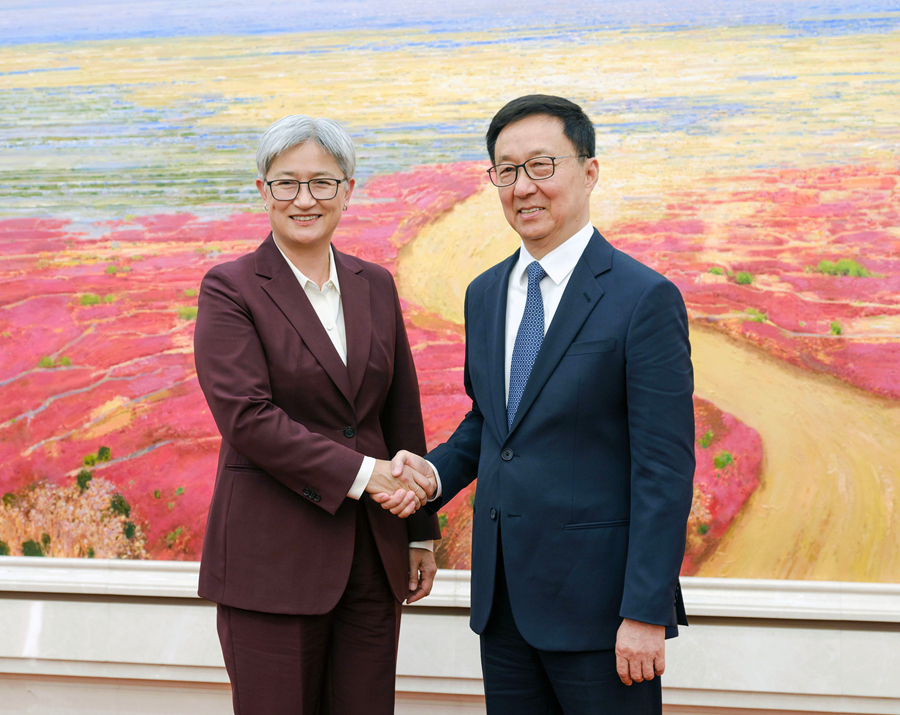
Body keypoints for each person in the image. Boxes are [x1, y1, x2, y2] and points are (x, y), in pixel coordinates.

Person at [379, 95, 695, 714]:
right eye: (506, 170)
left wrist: (645, 612)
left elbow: (665, 470)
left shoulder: (644, 299)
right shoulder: (486, 293)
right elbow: (494, 425)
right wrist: (433, 476)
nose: (523, 187)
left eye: (542, 166)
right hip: (504, 609)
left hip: (605, 618)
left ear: (590, 171)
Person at [193, 114, 440, 715]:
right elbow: (248, 418)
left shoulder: (374, 284)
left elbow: (399, 412)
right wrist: (366, 475)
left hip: (373, 559)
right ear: (263, 191)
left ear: (348, 191)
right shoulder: (230, 288)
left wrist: (420, 531)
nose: (305, 199)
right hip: (273, 561)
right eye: (287, 183)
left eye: (323, 183)